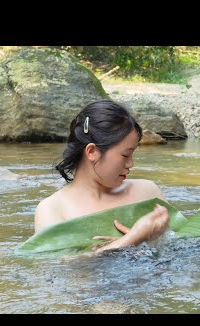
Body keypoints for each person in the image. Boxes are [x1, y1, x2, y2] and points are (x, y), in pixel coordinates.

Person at [34, 99, 169, 253]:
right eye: (125, 155)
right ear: (92, 152)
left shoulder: (147, 192)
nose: (131, 164)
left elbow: (184, 247)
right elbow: (60, 268)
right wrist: (134, 238)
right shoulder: (52, 209)